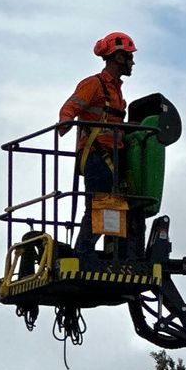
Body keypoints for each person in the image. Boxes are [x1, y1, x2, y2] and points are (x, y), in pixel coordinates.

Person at [60, 32, 136, 256]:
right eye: (129, 57)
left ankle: (115, 253)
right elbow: (70, 106)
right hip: (97, 156)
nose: (133, 62)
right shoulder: (94, 84)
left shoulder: (117, 90)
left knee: (117, 206)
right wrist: (65, 122)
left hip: (114, 156)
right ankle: (83, 254)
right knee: (100, 205)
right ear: (119, 58)